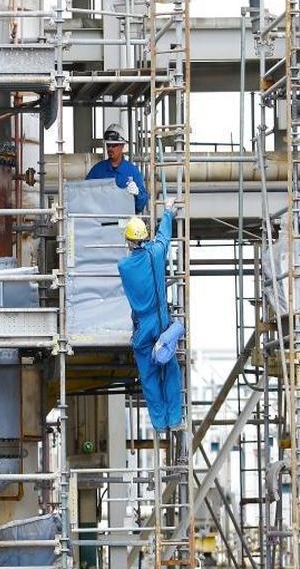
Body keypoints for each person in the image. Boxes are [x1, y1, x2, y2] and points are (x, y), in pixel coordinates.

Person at [117, 199, 186, 461]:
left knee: (148, 376)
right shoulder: (155, 254)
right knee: (169, 369)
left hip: (141, 326)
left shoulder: (123, 267)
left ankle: (158, 423)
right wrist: (167, 211)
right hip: (160, 320)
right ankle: (175, 418)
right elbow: (163, 236)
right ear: (144, 237)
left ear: (128, 241)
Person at [86, 124, 148, 213]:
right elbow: (85, 196)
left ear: (122, 146)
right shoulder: (97, 171)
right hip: (101, 222)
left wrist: (137, 194)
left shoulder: (132, 172)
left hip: (125, 223)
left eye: (114, 145)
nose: (110, 149)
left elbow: (140, 206)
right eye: (108, 145)